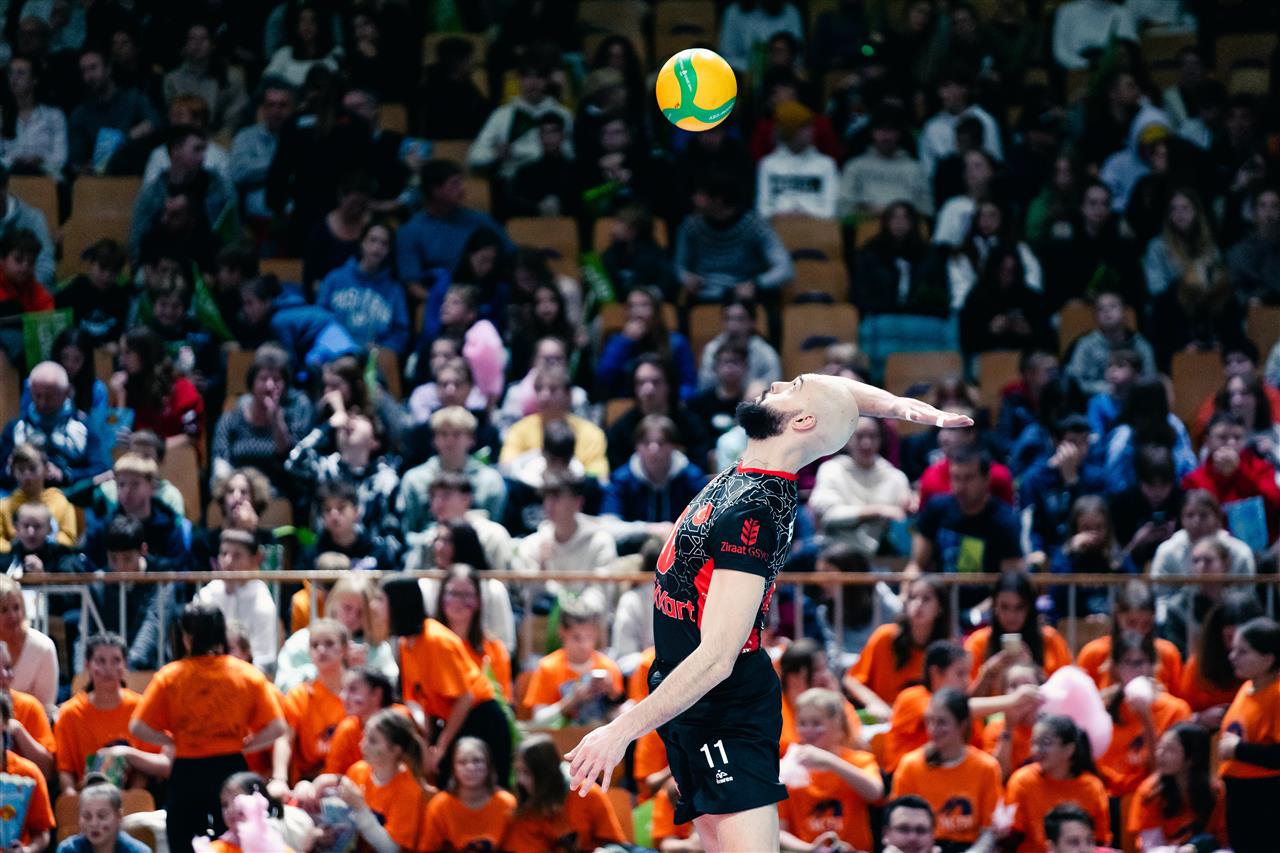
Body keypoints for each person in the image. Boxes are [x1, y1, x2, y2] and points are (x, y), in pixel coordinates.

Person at [567, 373, 971, 851]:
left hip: (725, 705)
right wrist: (899, 405)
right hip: (691, 699)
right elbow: (831, 395)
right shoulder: (750, 472)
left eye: (791, 387)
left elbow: (718, 658)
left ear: (801, 421)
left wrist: (620, 732)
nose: (776, 383)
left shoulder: (755, 511)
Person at [129, 605, 287, 853]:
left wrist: (171, 741)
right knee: (235, 840)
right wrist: (245, 745)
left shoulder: (171, 676)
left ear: (186, 637)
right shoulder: (246, 674)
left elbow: (138, 727)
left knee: (183, 843)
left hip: (187, 771)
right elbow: (277, 727)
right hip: (230, 767)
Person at [890, 688, 1003, 851]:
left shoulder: (986, 767)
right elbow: (899, 824)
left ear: (962, 725)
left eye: (941, 722)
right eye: (929, 721)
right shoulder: (911, 765)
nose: (933, 729)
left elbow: (989, 831)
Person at [310, 709, 436, 853]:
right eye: (365, 736)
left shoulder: (409, 791)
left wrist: (360, 808)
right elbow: (346, 821)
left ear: (395, 750)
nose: (362, 744)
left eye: (373, 741)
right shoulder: (358, 770)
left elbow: (391, 849)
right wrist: (325, 833)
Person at [55, 633, 168, 793]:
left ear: (125, 665)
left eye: (116, 661)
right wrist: (72, 800)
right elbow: (65, 770)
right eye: (100, 661)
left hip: (133, 798)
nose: (108, 669)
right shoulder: (70, 713)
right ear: (87, 665)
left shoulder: (141, 707)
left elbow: (148, 768)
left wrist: (131, 799)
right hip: (86, 797)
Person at [777, 688, 882, 853]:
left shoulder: (859, 760)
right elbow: (779, 830)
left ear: (837, 723)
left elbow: (875, 793)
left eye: (816, 723)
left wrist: (830, 761)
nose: (808, 731)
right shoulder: (787, 768)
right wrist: (811, 849)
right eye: (802, 723)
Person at [674, 166, 794, 304]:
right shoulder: (690, 226)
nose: (694, 199)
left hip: (744, 300)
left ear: (718, 199)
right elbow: (678, 266)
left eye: (700, 194)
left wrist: (756, 284)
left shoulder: (755, 225)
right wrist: (686, 277)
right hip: (703, 297)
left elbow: (785, 269)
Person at [1095, 632, 1192, 800]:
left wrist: (1146, 719)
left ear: (1153, 666)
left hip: (1153, 798)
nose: (1136, 671)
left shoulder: (1176, 710)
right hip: (1109, 797)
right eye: (1128, 663)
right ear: (1115, 668)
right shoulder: (1102, 708)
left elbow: (1164, 773)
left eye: (1140, 663)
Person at [843, 576, 950, 721]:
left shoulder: (946, 649)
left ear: (940, 608)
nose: (918, 604)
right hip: (881, 719)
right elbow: (851, 680)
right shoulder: (885, 636)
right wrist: (874, 703)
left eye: (926, 599)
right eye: (912, 598)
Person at [1002, 715, 1111, 853]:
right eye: (1034, 743)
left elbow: (1100, 840)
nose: (1036, 750)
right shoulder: (1022, 781)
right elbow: (1011, 840)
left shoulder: (1092, 787)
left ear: (1069, 749)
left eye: (1045, 743)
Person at [1217, 616, 1280, 851]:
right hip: (1239, 794)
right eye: (1234, 650)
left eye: (1243, 652)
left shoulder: (1277, 695)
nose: (1232, 657)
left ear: (1268, 658)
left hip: (1265, 797)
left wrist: (1238, 749)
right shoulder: (1247, 687)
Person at [503, 734, 626, 853]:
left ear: (545, 774)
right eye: (518, 772)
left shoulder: (587, 793)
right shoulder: (524, 807)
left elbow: (616, 845)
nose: (520, 780)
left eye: (526, 773)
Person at [270, 618, 347, 788]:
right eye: (315, 645)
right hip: (308, 783)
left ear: (344, 648)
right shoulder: (299, 695)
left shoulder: (356, 693)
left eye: (329, 643)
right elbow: (284, 738)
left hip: (348, 779)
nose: (321, 650)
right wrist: (279, 779)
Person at [967, 571, 1073, 695]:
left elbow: (1068, 691)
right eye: (1004, 607)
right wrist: (988, 672)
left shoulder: (1050, 639)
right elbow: (964, 702)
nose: (1011, 616)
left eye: (1019, 607)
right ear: (994, 607)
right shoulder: (978, 642)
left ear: (1029, 608)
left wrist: (1033, 669)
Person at [1127, 721, 1226, 850]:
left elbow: (1224, 841)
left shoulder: (1216, 791)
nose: (1160, 754)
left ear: (1192, 758)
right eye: (1160, 747)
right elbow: (1150, 847)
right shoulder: (1150, 792)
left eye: (1170, 749)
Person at [524, 598, 623, 727]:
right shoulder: (547, 667)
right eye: (577, 637)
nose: (584, 645)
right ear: (562, 632)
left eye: (589, 637)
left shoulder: (609, 667)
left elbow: (621, 717)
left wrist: (611, 694)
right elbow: (538, 720)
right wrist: (570, 701)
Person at [500, 365, 609, 480]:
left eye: (553, 389)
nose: (544, 396)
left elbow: (599, 478)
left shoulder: (592, 434)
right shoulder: (519, 430)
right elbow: (507, 467)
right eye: (539, 389)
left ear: (569, 395)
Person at [193, 529, 278, 673]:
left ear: (255, 559)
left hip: (248, 677)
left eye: (237, 555)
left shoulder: (263, 603)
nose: (228, 561)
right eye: (224, 553)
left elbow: (263, 659)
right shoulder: (206, 595)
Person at [66, 47, 159, 176]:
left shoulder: (134, 99)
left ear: (108, 69)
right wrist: (82, 168)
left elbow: (156, 123)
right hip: (100, 180)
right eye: (84, 71)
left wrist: (129, 136)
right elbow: (76, 161)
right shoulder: (80, 114)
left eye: (93, 68)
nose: (89, 76)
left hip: (137, 176)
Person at [1077, 580, 1184, 690]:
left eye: (1146, 624)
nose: (1138, 631)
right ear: (1117, 615)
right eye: (1131, 623)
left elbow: (1180, 699)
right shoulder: (1093, 654)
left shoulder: (1168, 654)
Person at [432, 564, 513, 703]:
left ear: (478, 602)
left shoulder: (494, 650)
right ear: (441, 597)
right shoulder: (428, 644)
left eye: (467, 595)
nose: (458, 601)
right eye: (453, 593)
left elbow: (502, 701)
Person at [422, 737, 516, 851]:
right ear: (454, 768)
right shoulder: (439, 806)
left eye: (477, 761)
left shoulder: (507, 804)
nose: (470, 767)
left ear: (488, 765)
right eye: (462, 762)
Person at [838, 107, 932, 218]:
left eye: (890, 130)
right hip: (865, 224)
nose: (885, 136)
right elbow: (843, 208)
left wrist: (899, 214)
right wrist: (870, 211)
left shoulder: (915, 169)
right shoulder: (855, 167)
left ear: (899, 133)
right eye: (880, 130)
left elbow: (927, 210)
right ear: (872, 132)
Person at [755, 101, 839, 219]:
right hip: (776, 227)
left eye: (811, 126)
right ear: (789, 131)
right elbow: (762, 210)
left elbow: (831, 211)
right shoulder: (768, 164)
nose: (811, 131)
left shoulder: (826, 165)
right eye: (804, 127)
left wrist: (804, 213)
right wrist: (784, 213)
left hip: (816, 228)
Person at [696, 295, 782, 394]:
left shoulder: (766, 353)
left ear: (752, 322)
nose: (733, 326)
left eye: (740, 319)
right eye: (728, 319)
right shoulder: (712, 349)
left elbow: (774, 391)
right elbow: (704, 386)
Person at [0, 443, 75, 549]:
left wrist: (45, 543)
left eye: (33, 468)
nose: (27, 475)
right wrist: (18, 549)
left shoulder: (60, 501)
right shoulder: (4, 506)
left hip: (52, 557)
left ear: (46, 469)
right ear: (13, 472)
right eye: (21, 469)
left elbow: (69, 539)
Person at [55, 777, 150, 853]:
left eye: (102, 816)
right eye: (87, 816)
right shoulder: (68, 850)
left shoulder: (138, 851)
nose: (94, 824)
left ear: (119, 816)